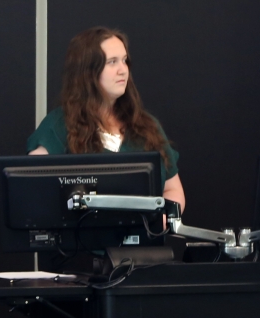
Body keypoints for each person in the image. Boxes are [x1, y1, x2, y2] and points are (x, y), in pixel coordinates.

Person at [27, 26, 185, 212]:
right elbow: (33, 188)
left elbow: (172, 189)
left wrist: (162, 218)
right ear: (87, 71)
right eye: (112, 62)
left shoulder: (147, 125)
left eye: (124, 61)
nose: (123, 70)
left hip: (144, 231)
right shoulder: (59, 125)